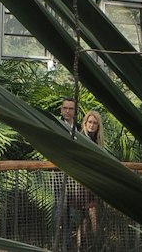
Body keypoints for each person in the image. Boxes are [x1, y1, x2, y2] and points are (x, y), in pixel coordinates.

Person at [52, 98, 78, 250]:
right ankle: (56, 241)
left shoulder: (79, 127)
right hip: (59, 171)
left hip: (74, 174)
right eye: (65, 108)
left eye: (71, 108)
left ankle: (67, 244)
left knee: (71, 209)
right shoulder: (55, 125)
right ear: (61, 110)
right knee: (59, 207)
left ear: (75, 111)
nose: (68, 111)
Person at [78, 111, 104, 247]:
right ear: (85, 123)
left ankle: (94, 245)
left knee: (92, 215)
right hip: (80, 183)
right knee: (81, 217)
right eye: (90, 122)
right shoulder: (80, 136)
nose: (92, 125)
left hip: (93, 182)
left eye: (95, 123)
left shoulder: (98, 141)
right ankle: (80, 246)